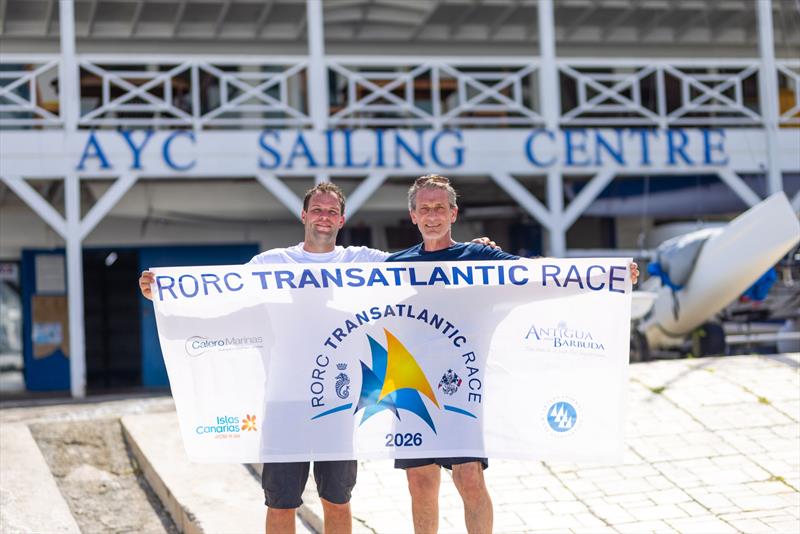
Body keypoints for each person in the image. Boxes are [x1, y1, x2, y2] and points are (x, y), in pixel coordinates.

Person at [137, 182, 500, 534]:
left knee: (337, 501)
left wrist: (475, 251)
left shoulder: (363, 262)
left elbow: (427, 264)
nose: (324, 217)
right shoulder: (272, 263)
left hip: (339, 404)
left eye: (332, 212)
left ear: (342, 220)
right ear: (303, 216)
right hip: (284, 406)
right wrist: (168, 294)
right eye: (317, 210)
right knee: (280, 503)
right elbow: (223, 295)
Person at [386, 174, 639, 534]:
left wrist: (601, 275)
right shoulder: (394, 267)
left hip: (462, 387)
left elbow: (534, 275)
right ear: (412, 215)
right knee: (420, 482)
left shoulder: (478, 256)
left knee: (469, 478)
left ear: (453, 213)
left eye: (439, 208)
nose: (432, 216)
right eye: (424, 209)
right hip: (410, 385)